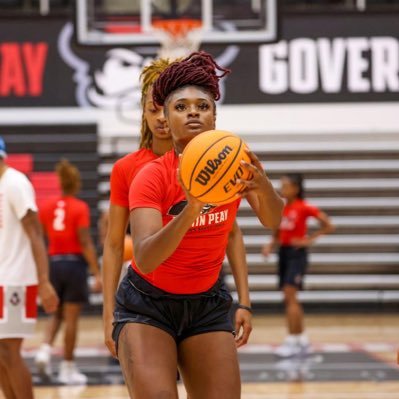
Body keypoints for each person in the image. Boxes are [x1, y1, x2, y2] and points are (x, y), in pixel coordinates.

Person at [111, 51, 283, 398]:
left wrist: (262, 184)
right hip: (147, 304)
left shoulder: (236, 159)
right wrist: (191, 210)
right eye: (181, 106)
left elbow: (272, 219)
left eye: (202, 106)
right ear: (166, 117)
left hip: (207, 301)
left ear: (214, 118)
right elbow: (144, 257)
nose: (192, 112)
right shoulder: (151, 176)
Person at [102, 57, 254, 361]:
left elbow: (232, 233)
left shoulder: (214, 161)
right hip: (149, 297)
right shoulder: (128, 169)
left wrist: (244, 300)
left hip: (204, 292)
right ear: (143, 113)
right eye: (153, 109)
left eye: (166, 109)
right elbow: (115, 243)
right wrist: (107, 313)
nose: (160, 118)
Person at [0, 136, 59, 399]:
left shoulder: (15, 183)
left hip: (18, 280)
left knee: (9, 350)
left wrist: (44, 281)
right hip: (3, 278)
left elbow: (35, 233)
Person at [34, 159, 102, 384]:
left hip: (53, 263)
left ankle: (44, 350)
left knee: (56, 313)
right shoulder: (79, 207)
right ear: (76, 183)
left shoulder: (46, 206)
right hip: (74, 265)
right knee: (71, 318)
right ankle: (68, 367)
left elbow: (44, 236)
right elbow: (84, 242)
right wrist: (97, 271)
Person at [262, 173, 335, 357]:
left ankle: (293, 339)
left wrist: (308, 240)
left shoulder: (304, 207)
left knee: (290, 293)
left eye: (285, 186)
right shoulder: (282, 207)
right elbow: (278, 231)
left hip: (296, 254)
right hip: (284, 253)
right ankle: (300, 339)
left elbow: (328, 225)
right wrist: (271, 244)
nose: (282, 189)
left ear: (296, 188)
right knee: (288, 297)